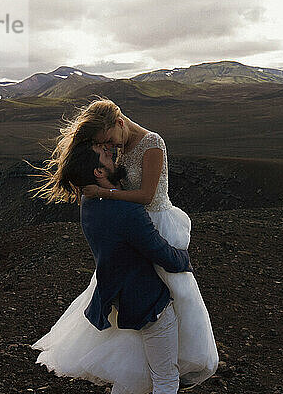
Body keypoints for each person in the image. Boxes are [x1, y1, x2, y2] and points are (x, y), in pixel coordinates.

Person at [26, 97, 218, 393]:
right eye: (103, 146)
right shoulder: (115, 154)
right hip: (133, 225)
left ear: (119, 123)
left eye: (109, 141)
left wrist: (108, 193)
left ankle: (166, 362)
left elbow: (146, 196)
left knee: (177, 299)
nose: (110, 148)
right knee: (156, 296)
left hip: (152, 219)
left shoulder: (152, 143)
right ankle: (160, 367)